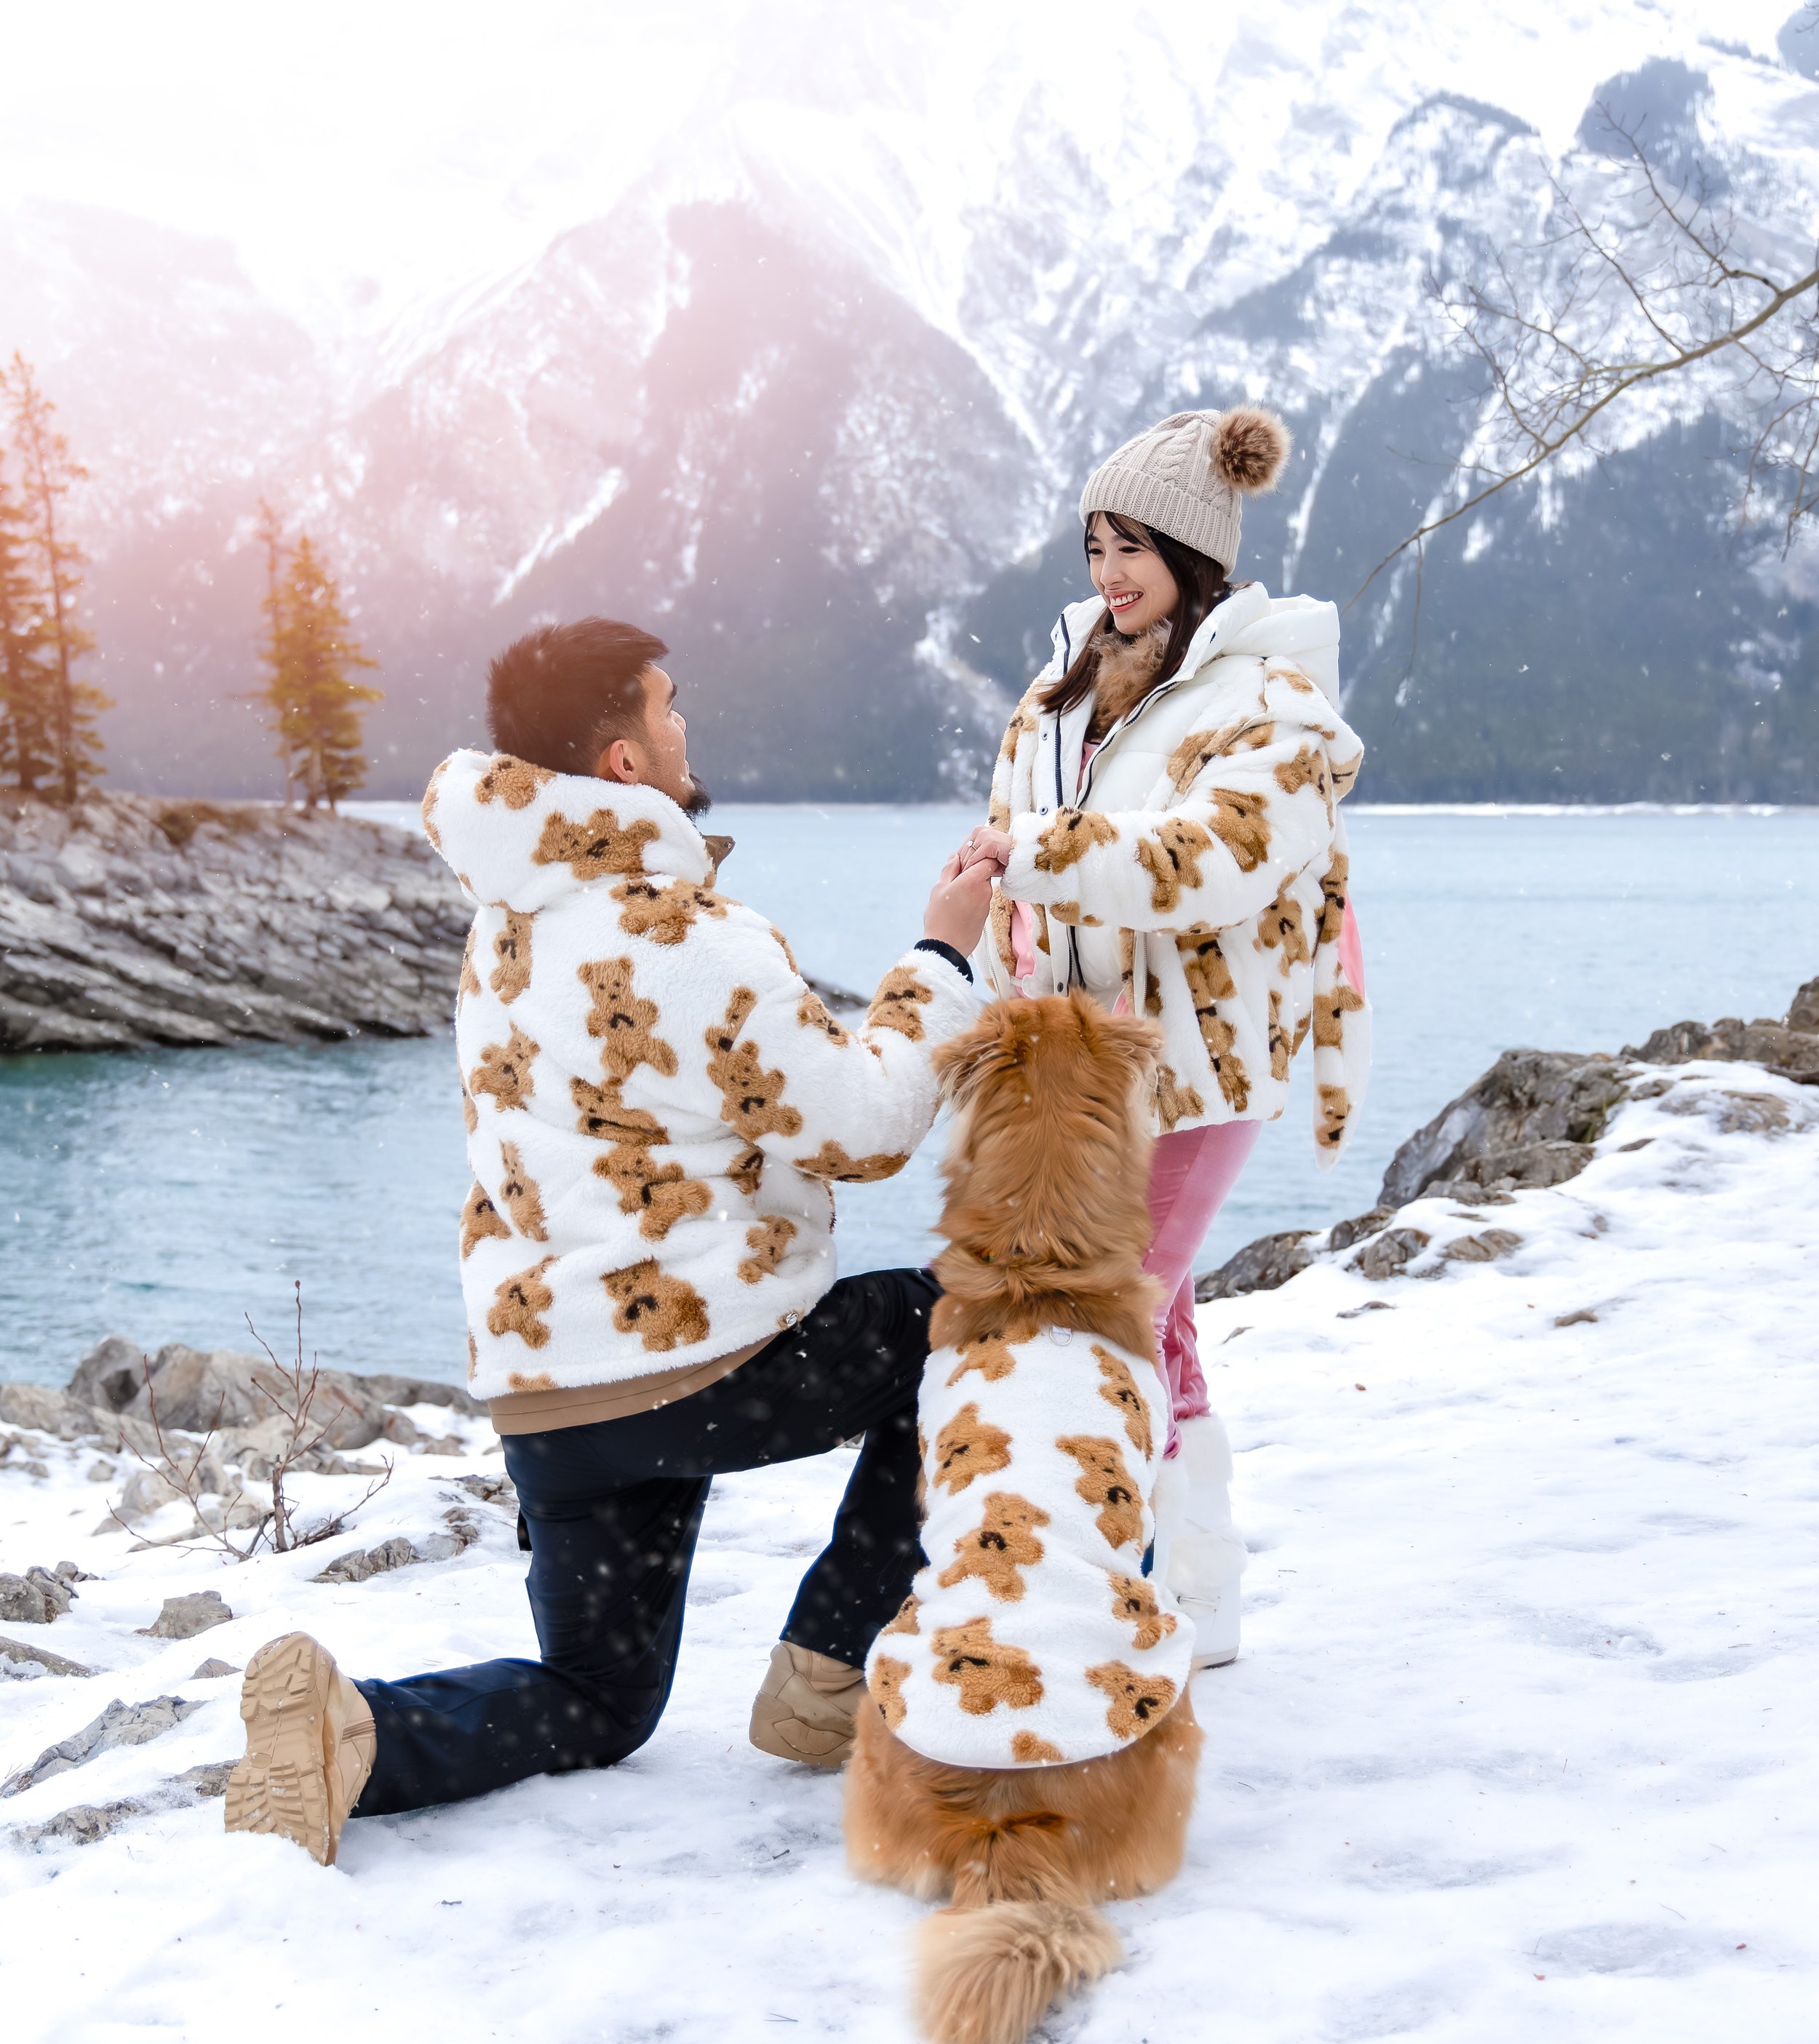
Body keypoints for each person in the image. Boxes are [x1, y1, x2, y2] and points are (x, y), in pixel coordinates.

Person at [223, 616, 1000, 1865]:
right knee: (968, 1314)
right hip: (705, 1374)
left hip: (551, 1403)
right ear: (626, 761)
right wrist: (942, 949)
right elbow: (862, 1125)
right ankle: (826, 1671)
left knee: (598, 1696)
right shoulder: (686, 937)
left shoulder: (505, 927)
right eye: (670, 705)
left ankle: (349, 1734)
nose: (689, 725)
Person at [958, 405, 1370, 1667]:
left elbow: (1209, 862)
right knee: (1159, 1312)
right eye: (1094, 545)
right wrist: (977, 999)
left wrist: (1040, 855)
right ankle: (1195, 1585)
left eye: (1132, 545)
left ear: (1197, 551)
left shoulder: (1275, 707)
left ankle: (1127, 1582)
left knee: (1110, 1307)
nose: (1108, 574)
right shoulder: (1062, 683)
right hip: (1069, 1058)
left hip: (1197, 1064)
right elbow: (1002, 846)